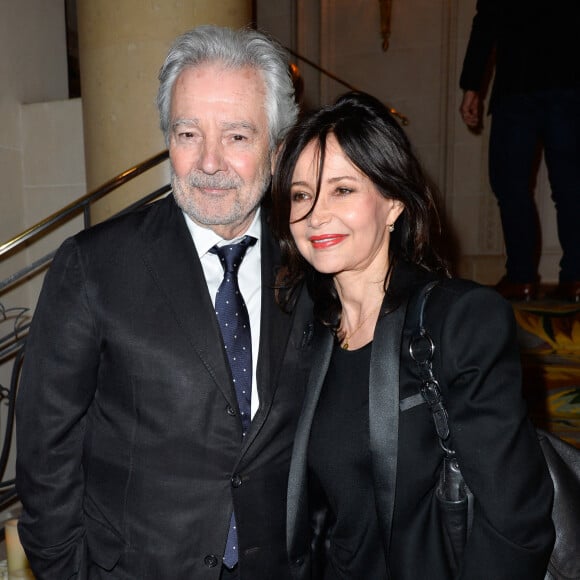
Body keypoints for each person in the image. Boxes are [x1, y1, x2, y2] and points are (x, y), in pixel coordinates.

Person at [15, 25, 314, 580]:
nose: (208, 162)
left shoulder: (312, 266)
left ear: (276, 149)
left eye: (237, 137)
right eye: (187, 134)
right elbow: (44, 457)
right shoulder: (93, 268)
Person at [271, 91, 555, 579]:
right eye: (300, 194)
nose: (315, 214)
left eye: (342, 189)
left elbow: (516, 523)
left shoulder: (459, 322)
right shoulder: (305, 330)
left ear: (394, 202)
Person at [459, 0, 580, 302]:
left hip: (520, 83)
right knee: (569, 187)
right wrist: (472, 84)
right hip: (565, 82)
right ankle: (574, 277)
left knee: (513, 184)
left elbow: (487, 18)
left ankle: (522, 277)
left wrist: (471, 86)